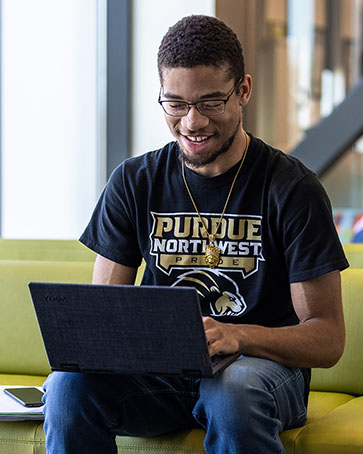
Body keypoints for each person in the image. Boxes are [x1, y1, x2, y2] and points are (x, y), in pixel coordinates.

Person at [42, 15, 348, 454]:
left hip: (258, 371)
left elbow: (328, 338)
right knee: (68, 386)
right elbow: (105, 321)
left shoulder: (292, 189)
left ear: (243, 90)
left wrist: (239, 335)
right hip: (161, 377)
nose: (192, 123)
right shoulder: (134, 182)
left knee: (233, 391)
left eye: (210, 103)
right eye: (175, 103)